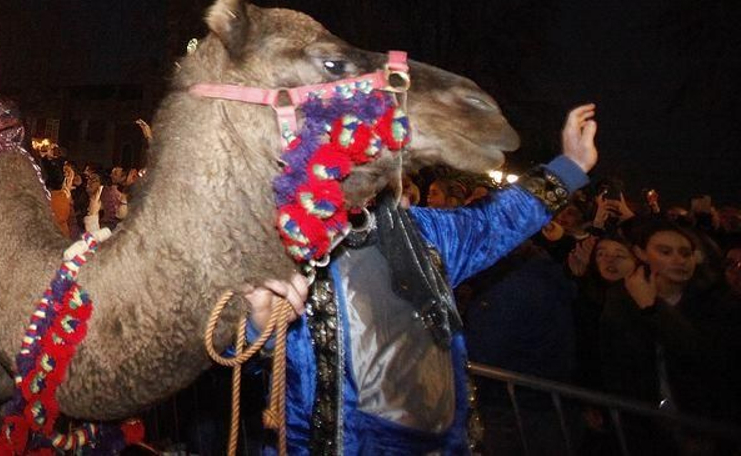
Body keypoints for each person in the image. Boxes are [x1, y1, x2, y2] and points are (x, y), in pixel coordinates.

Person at [244, 104, 600, 455]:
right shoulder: (284, 244)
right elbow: (223, 341)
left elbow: (496, 222)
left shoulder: (425, 232)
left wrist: (570, 168)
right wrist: (257, 324)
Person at [600, 218, 741, 437]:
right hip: (642, 423)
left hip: (703, 422)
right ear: (641, 253)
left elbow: (703, 355)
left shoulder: (716, 301)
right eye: (665, 252)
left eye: (685, 253)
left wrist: (652, 308)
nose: (678, 260)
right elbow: (613, 356)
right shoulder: (621, 296)